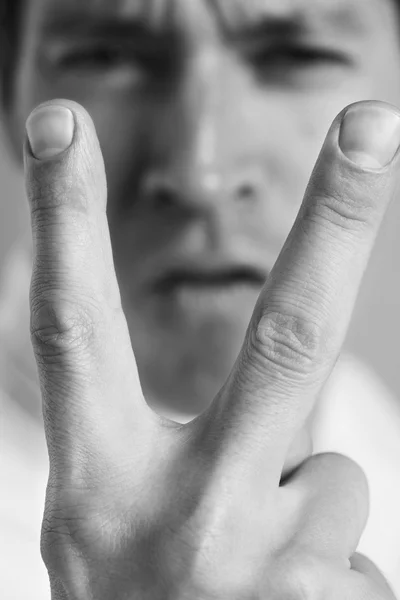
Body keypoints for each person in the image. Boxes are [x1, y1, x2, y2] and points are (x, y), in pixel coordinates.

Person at [1, 0, 400, 597]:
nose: (200, 174)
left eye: (300, 53)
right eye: (105, 55)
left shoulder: (380, 430)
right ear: (9, 101)